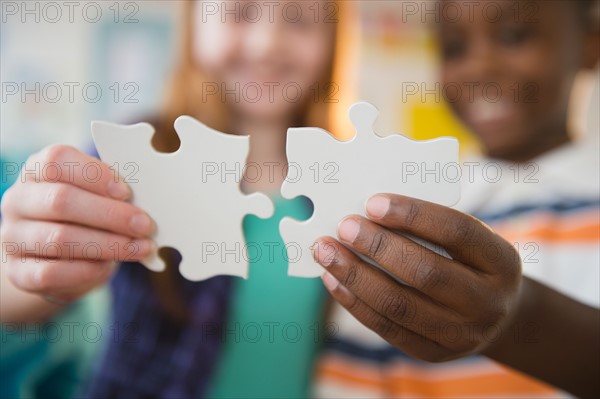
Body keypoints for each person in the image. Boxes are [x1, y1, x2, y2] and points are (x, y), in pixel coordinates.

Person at [0, 1, 597, 398]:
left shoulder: (360, 182)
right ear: (193, 20)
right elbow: (28, 285)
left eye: (300, 18)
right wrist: (21, 278)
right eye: (239, 11)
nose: (266, 42)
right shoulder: (133, 157)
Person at [311, 1, 599, 398]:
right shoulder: (408, 210)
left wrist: (515, 319)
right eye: (454, 48)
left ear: (590, 43)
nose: (479, 67)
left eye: (514, 36)